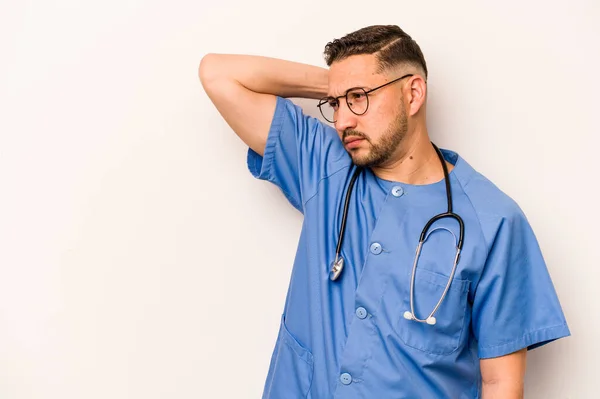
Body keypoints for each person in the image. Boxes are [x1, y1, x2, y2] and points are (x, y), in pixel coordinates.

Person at [198, 25, 570, 399]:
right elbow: (218, 74)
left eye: (359, 97)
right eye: (337, 104)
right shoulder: (324, 166)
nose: (343, 120)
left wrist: (348, 86)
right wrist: (337, 84)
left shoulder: (494, 222)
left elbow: (500, 383)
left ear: (413, 93)